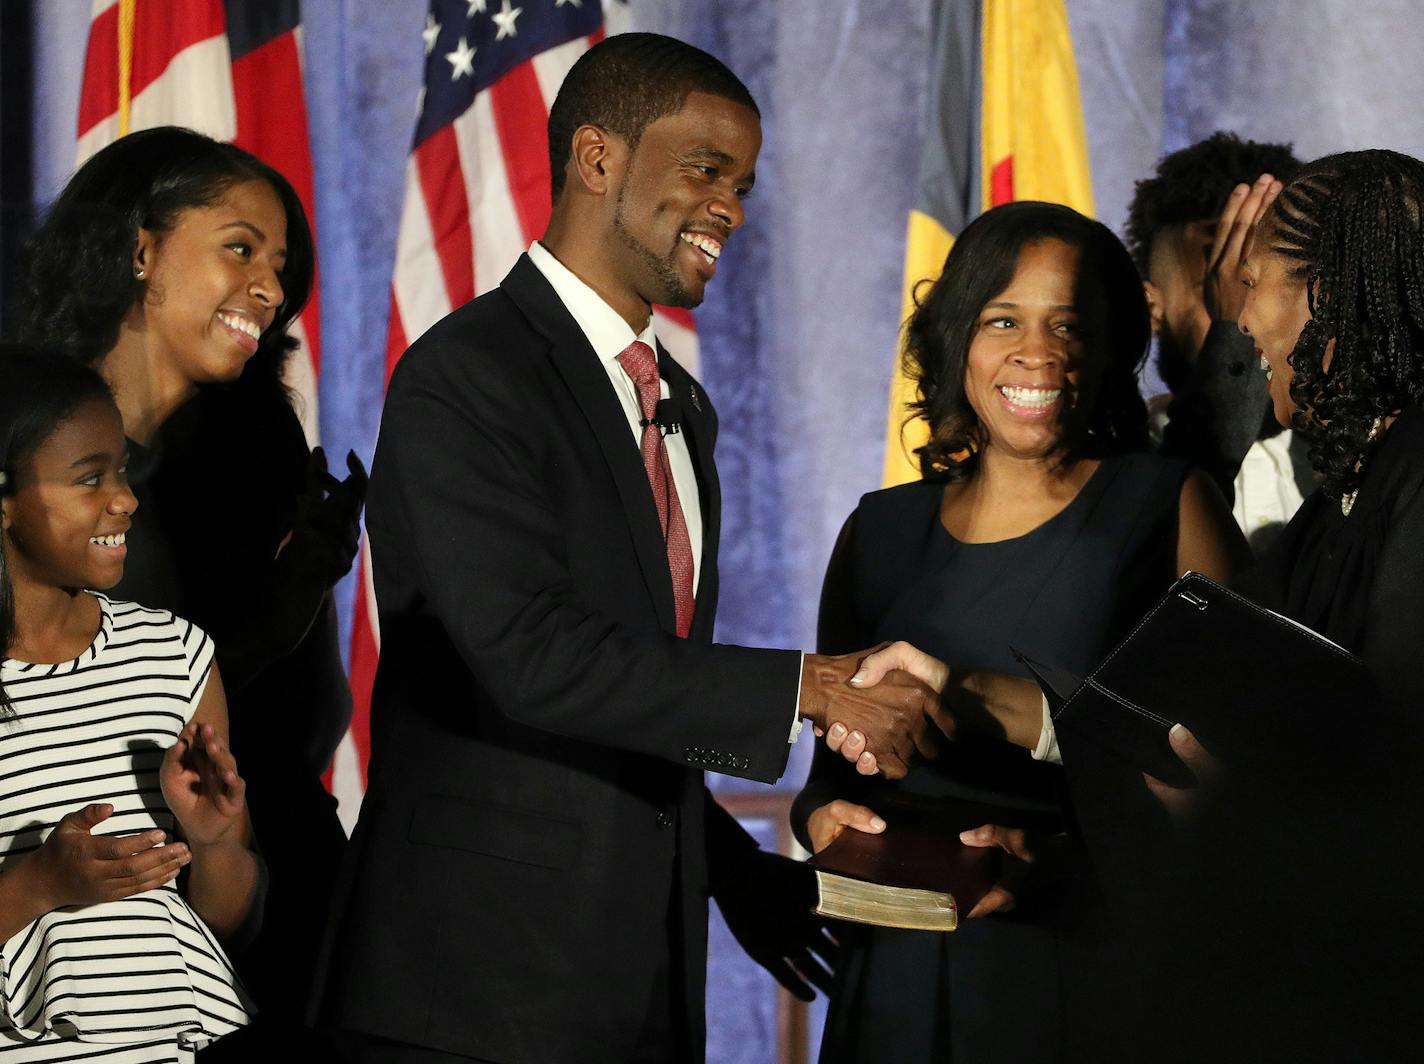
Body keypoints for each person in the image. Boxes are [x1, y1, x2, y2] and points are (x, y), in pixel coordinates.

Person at [315, 32, 936, 1064]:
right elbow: (530, 653)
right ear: (597, 157)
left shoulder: (681, 404)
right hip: (469, 990)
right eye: (704, 169)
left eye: (741, 182)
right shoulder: (465, 376)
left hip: (636, 986)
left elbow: (637, 701)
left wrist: (741, 877)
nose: (731, 208)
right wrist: (812, 686)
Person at [851, 149, 1424, 1062]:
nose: (1244, 318)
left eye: (1259, 280)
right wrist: (956, 691)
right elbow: (1188, 714)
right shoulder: (1338, 507)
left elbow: (1375, 772)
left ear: (1332, 290)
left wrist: (1237, 804)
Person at [790, 201, 1249, 1064]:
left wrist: (1060, 866)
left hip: (1082, 977)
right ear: (957, 334)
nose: (1037, 353)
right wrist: (823, 821)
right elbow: (820, 781)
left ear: (1108, 347)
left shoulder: (1167, 506)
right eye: (1004, 319)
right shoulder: (878, 531)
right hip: (893, 988)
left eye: (1068, 325)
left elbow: (1240, 789)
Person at [15, 126, 362, 1047]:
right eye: (240, 248)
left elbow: (301, 722)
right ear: (139, 250)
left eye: (281, 266)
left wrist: (299, 601)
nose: (271, 288)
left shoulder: (260, 456)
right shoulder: (18, 448)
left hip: (258, 897)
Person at [0, 347, 258, 1062]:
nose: (125, 499)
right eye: (90, 478)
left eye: (121, 469)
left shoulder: (174, 655)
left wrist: (211, 841)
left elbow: (226, 918)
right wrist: (38, 884)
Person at [1127, 131, 1308, 544]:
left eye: (1276, 290)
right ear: (1151, 308)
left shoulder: (1367, 463)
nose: (1248, 321)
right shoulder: (1117, 467)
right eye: (1220, 290)